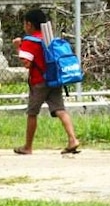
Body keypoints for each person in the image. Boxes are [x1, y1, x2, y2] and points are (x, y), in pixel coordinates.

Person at [12, 9, 80, 155]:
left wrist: (18, 47)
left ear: (29, 25)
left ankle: (28, 147)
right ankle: (72, 139)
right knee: (60, 109)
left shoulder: (30, 41)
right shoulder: (49, 38)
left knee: (32, 113)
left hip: (38, 82)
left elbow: (26, 63)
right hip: (54, 79)